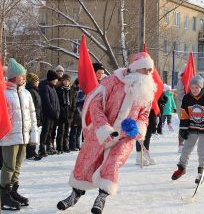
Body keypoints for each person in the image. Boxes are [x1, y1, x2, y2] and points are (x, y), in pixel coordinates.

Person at [57, 52, 156, 214]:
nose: (149, 74)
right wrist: (103, 127)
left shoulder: (147, 91)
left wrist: (138, 127)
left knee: (113, 162)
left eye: (150, 70)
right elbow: (95, 104)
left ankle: (101, 197)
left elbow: (144, 115)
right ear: (137, 69)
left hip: (125, 137)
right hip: (101, 132)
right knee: (86, 162)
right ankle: (74, 194)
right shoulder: (113, 81)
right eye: (146, 70)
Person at [0, 58, 39, 210]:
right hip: (9, 137)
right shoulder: (3, 93)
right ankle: (4, 196)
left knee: (17, 166)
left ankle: (13, 192)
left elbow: (33, 115)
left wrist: (33, 136)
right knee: (8, 166)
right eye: (21, 75)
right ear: (13, 76)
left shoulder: (27, 93)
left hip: (23, 135)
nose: (24, 77)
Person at [171, 75, 204, 183]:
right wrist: (183, 129)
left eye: (196, 87)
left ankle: (201, 172)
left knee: (201, 150)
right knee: (186, 149)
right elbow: (184, 115)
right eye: (192, 87)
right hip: (193, 128)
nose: (194, 90)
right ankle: (181, 168)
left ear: (201, 87)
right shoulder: (187, 98)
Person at [38, 70, 60, 157]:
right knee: (45, 131)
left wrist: (57, 111)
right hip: (47, 114)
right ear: (51, 79)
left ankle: (48, 147)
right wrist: (53, 112)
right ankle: (41, 149)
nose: (56, 81)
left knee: (50, 131)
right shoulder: (45, 87)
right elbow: (46, 102)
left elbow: (56, 101)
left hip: (53, 114)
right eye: (55, 79)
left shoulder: (52, 87)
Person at [56, 74, 75, 154]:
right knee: (61, 131)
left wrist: (72, 112)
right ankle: (59, 147)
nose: (66, 82)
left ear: (70, 82)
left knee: (67, 131)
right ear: (62, 81)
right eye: (64, 81)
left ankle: (65, 146)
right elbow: (57, 102)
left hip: (69, 113)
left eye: (67, 81)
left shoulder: (71, 90)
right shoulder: (59, 90)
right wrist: (60, 111)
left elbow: (73, 102)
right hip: (61, 113)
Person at [25, 73, 43, 161]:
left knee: (34, 133)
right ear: (32, 82)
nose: (38, 82)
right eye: (36, 81)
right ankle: (30, 153)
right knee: (31, 134)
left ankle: (32, 152)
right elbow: (33, 106)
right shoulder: (31, 91)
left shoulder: (35, 90)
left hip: (36, 115)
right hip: (32, 116)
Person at [69, 78, 83, 150]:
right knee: (74, 131)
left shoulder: (83, 91)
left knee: (78, 132)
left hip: (81, 114)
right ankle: (72, 145)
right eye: (79, 83)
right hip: (74, 114)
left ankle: (77, 145)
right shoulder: (73, 90)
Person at [176, 73, 185, 152]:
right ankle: (181, 143)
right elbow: (180, 95)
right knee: (183, 125)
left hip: (190, 106)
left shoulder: (190, 81)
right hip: (182, 106)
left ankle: (187, 142)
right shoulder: (180, 82)